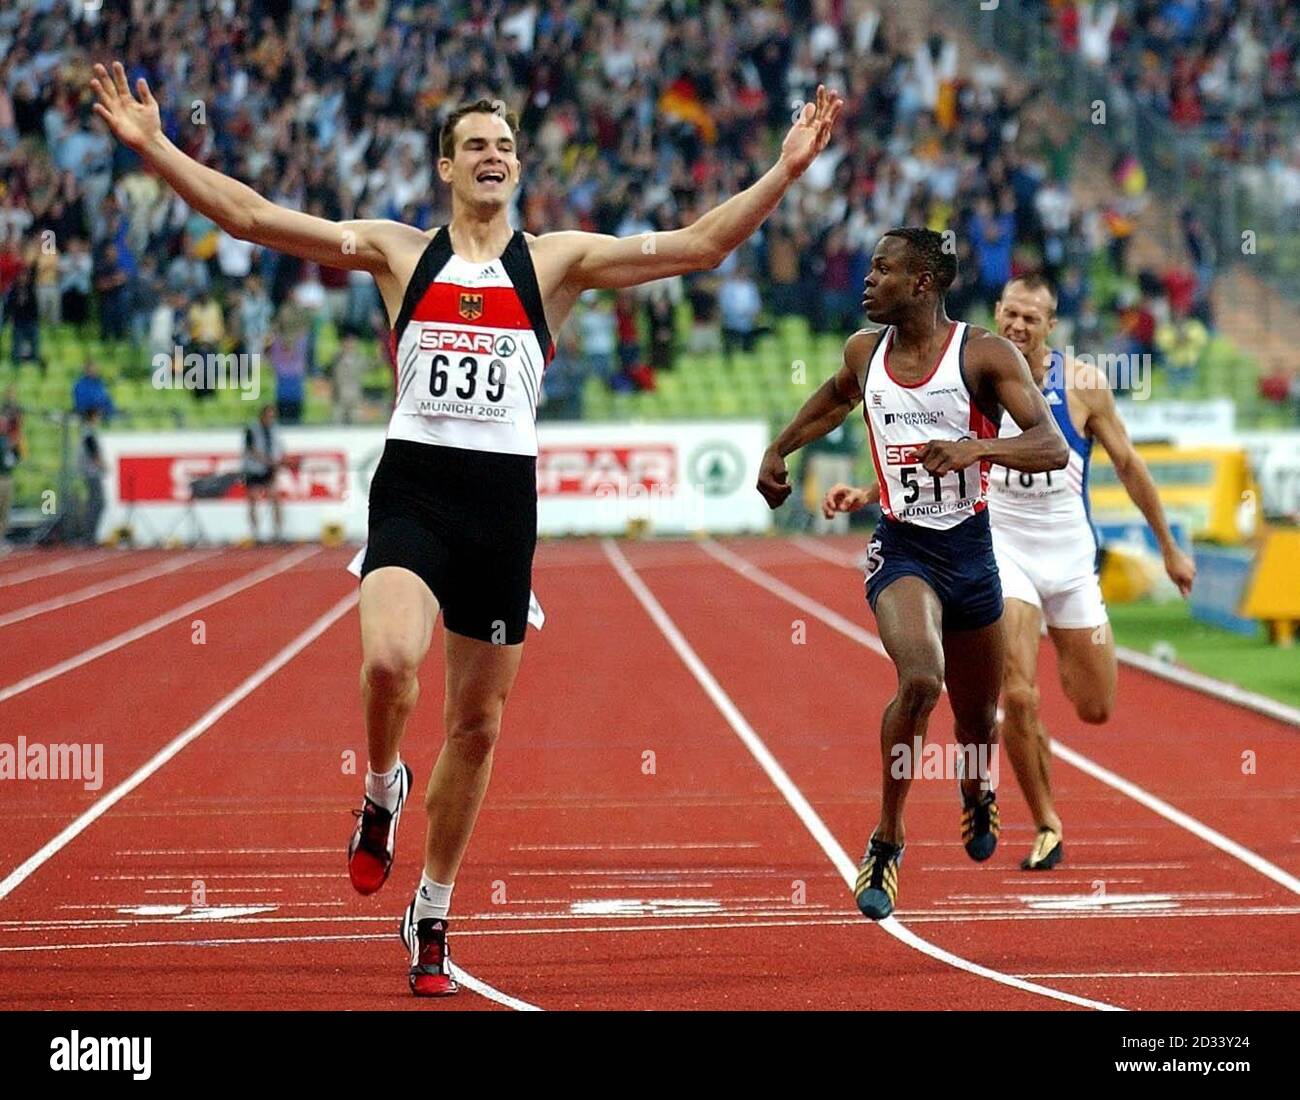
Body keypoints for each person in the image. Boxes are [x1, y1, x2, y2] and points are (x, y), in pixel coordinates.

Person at [92, 61, 842, 995]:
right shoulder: (396, 252)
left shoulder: (557, 262)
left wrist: (785, 171)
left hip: (503, 506)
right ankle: (380, 789)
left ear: (519, 168)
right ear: (445, 166)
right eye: (477, 145)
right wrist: (158, 147)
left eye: (507, 147)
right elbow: (252, 218)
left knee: (478, 726)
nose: (496, 157)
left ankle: (434, 910)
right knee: (387, 664)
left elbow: (695, 247)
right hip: (415, 487)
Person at [823, 273, 1197, 874]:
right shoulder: (975, 371)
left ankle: (1029, 767)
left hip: (1071, 558)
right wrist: (867, 493)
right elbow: (928, 459)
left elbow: (1128, 464)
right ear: (998, 313)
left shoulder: (1082, 386)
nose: (1018, 326)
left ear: (1051, 326)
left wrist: (1170, 548)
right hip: (1003, 552)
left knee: (1095, 705)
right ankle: (1046, 822)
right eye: (1010, 314)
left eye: (1031, 318)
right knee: (1018, 694)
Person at [757, 227, 1068, 921]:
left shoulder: (983, 354)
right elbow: (838, 397)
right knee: (922, 677)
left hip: (971, 554)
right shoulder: (863, 352)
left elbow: (1049, 445)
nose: (866, 281)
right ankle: (887, 839)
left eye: (882, 269)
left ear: (923, 283)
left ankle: (976, 790)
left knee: (977, 723)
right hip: (902, 550)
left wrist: (973, 448)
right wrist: (780, 448)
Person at [243, 404, 284, 543]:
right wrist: (267, 460)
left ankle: (278, 533)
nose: (270, 419)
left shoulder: (275, 430)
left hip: (269, 469)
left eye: (272, 416)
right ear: (262, 416)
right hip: (254, 469)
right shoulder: (251, 429)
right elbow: (250, 450)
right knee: (253, 500)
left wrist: (276, 463)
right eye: (268, 416)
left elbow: (279, 448)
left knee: (276, 499)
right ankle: (256, 534)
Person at [80, 408, 107, 545]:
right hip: (92, 473)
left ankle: (89, 536)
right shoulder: (89, 432)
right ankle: (88, 536)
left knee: (95, 504)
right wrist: (103, 465)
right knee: (97, 504)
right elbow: (93, 452)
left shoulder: (87, 431)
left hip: (91, 472)